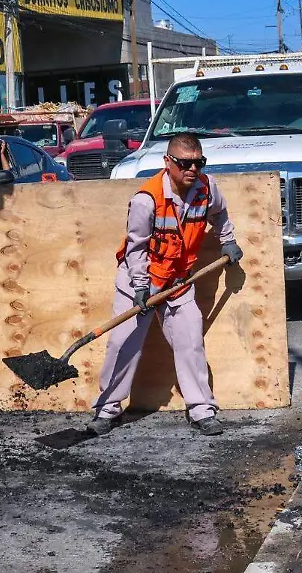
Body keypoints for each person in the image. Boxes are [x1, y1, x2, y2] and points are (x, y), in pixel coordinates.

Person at [88, 132, 243, 437]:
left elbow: (220, 213)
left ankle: (201, 410)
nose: (193, 169)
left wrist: (228, 241)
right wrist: (142, 288)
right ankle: (108, 410)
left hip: (179, 281)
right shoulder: (147, 200)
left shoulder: (207, 189)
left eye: (199, 162)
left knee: (190, 342)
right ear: (168, 162)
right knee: (122, 345)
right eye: (185, 163)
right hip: (139, 282)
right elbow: (136, 249)